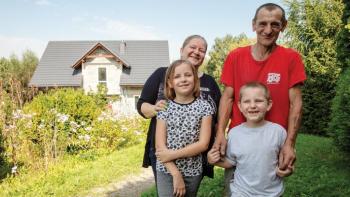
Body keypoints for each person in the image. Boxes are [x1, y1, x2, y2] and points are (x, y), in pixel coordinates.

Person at [213, 3, 306, 196]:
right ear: (253, 25)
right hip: (241, 144)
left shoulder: (291, 58)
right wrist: (220, 133)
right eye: (262, 24)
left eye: (275, 24)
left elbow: (296, 104)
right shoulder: (235, 56)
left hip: (274, 146)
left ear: (284, 26)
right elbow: (228, 98)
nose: (268, 30)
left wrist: (289, 144)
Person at [137, 35, 221, 184]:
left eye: (202, 50)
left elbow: (218, 116)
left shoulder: (210, 82)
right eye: (193, 47)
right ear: (182, 50)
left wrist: (218, 140)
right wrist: (156, 109)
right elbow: (142, 104)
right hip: (164, 151)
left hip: (196, 156)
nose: (197, 52)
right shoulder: (162, 74)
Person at [208, 82, 293, 197]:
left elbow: (287, 162)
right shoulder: (234, 133)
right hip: (241, 192)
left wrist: (288, 170)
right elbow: (231, 162)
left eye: (258, 101)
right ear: (240, 106)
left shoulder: (279, 132)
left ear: (268, 105)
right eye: (247, 101)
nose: (252, 105)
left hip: (272, 193)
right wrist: (214, 160)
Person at [155, 59, 213, 197]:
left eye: (188, 75)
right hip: (166, 169)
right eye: (177, 76)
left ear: (195, 79)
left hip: (192, 171)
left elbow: (203, 144)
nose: (183, 79)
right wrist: (175, 174)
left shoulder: (205, 107)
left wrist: (173, 154)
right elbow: (160, 146)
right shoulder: (165, 107)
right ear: (170, 83)